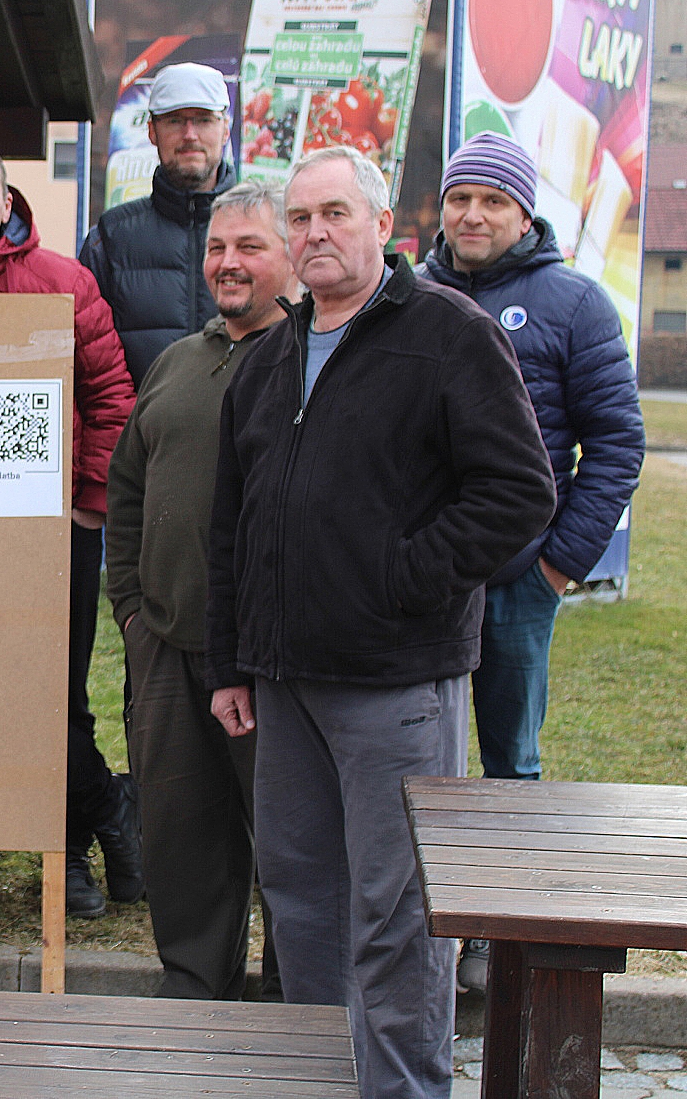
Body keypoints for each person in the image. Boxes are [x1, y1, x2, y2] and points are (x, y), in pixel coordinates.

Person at [205, 146, 556, 1099]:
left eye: (335, 214)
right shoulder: (268, 360)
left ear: (382, 225)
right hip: (284, 684)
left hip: (395, 680)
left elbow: (517, 492)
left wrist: (401, 579)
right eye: (301, 218)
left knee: (395, 914)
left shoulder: (447, 334)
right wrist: (229, 662)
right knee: (301, 903)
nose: (316, 233)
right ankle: (323, 1081)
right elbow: (230, 525)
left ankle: (402, 1089)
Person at [420, 132, 645, 991]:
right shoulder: (407, 295)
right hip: (420, 580)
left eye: (492, 200)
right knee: (417, 761)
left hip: (517, 581)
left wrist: (557, 566)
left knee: (508, 763)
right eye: (459, 198)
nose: (472, 215)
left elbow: (615, 444)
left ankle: (495, 932)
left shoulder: (574, 303)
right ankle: (424, 928)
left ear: (524, 215)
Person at [0, 139, 140, 918]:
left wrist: (87, 504)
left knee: (52, 693)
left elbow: (112, 396)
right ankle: (109, 807)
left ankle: (69, 849)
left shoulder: (63, 282)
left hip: (53, 528)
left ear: (7, 202)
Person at [105, 180, 293, 999]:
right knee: (180, 834)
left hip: (269, 661)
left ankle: (292, 1001)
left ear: (290, 256)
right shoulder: (178, 362)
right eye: (217, 247)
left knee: (288, 840)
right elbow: (126, 489)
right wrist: (131, 612)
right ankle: (192, 992)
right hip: (167, 648)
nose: (227, 262)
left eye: (249, 246)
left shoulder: (311, 360)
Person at [81, 63, 239, 388]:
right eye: (175, 120)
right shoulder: (110, 240)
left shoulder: (269, 232)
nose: (190, 135)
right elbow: (89, 366)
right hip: (143, 421)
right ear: (152, 131)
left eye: (204, 120)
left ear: (225, 129)